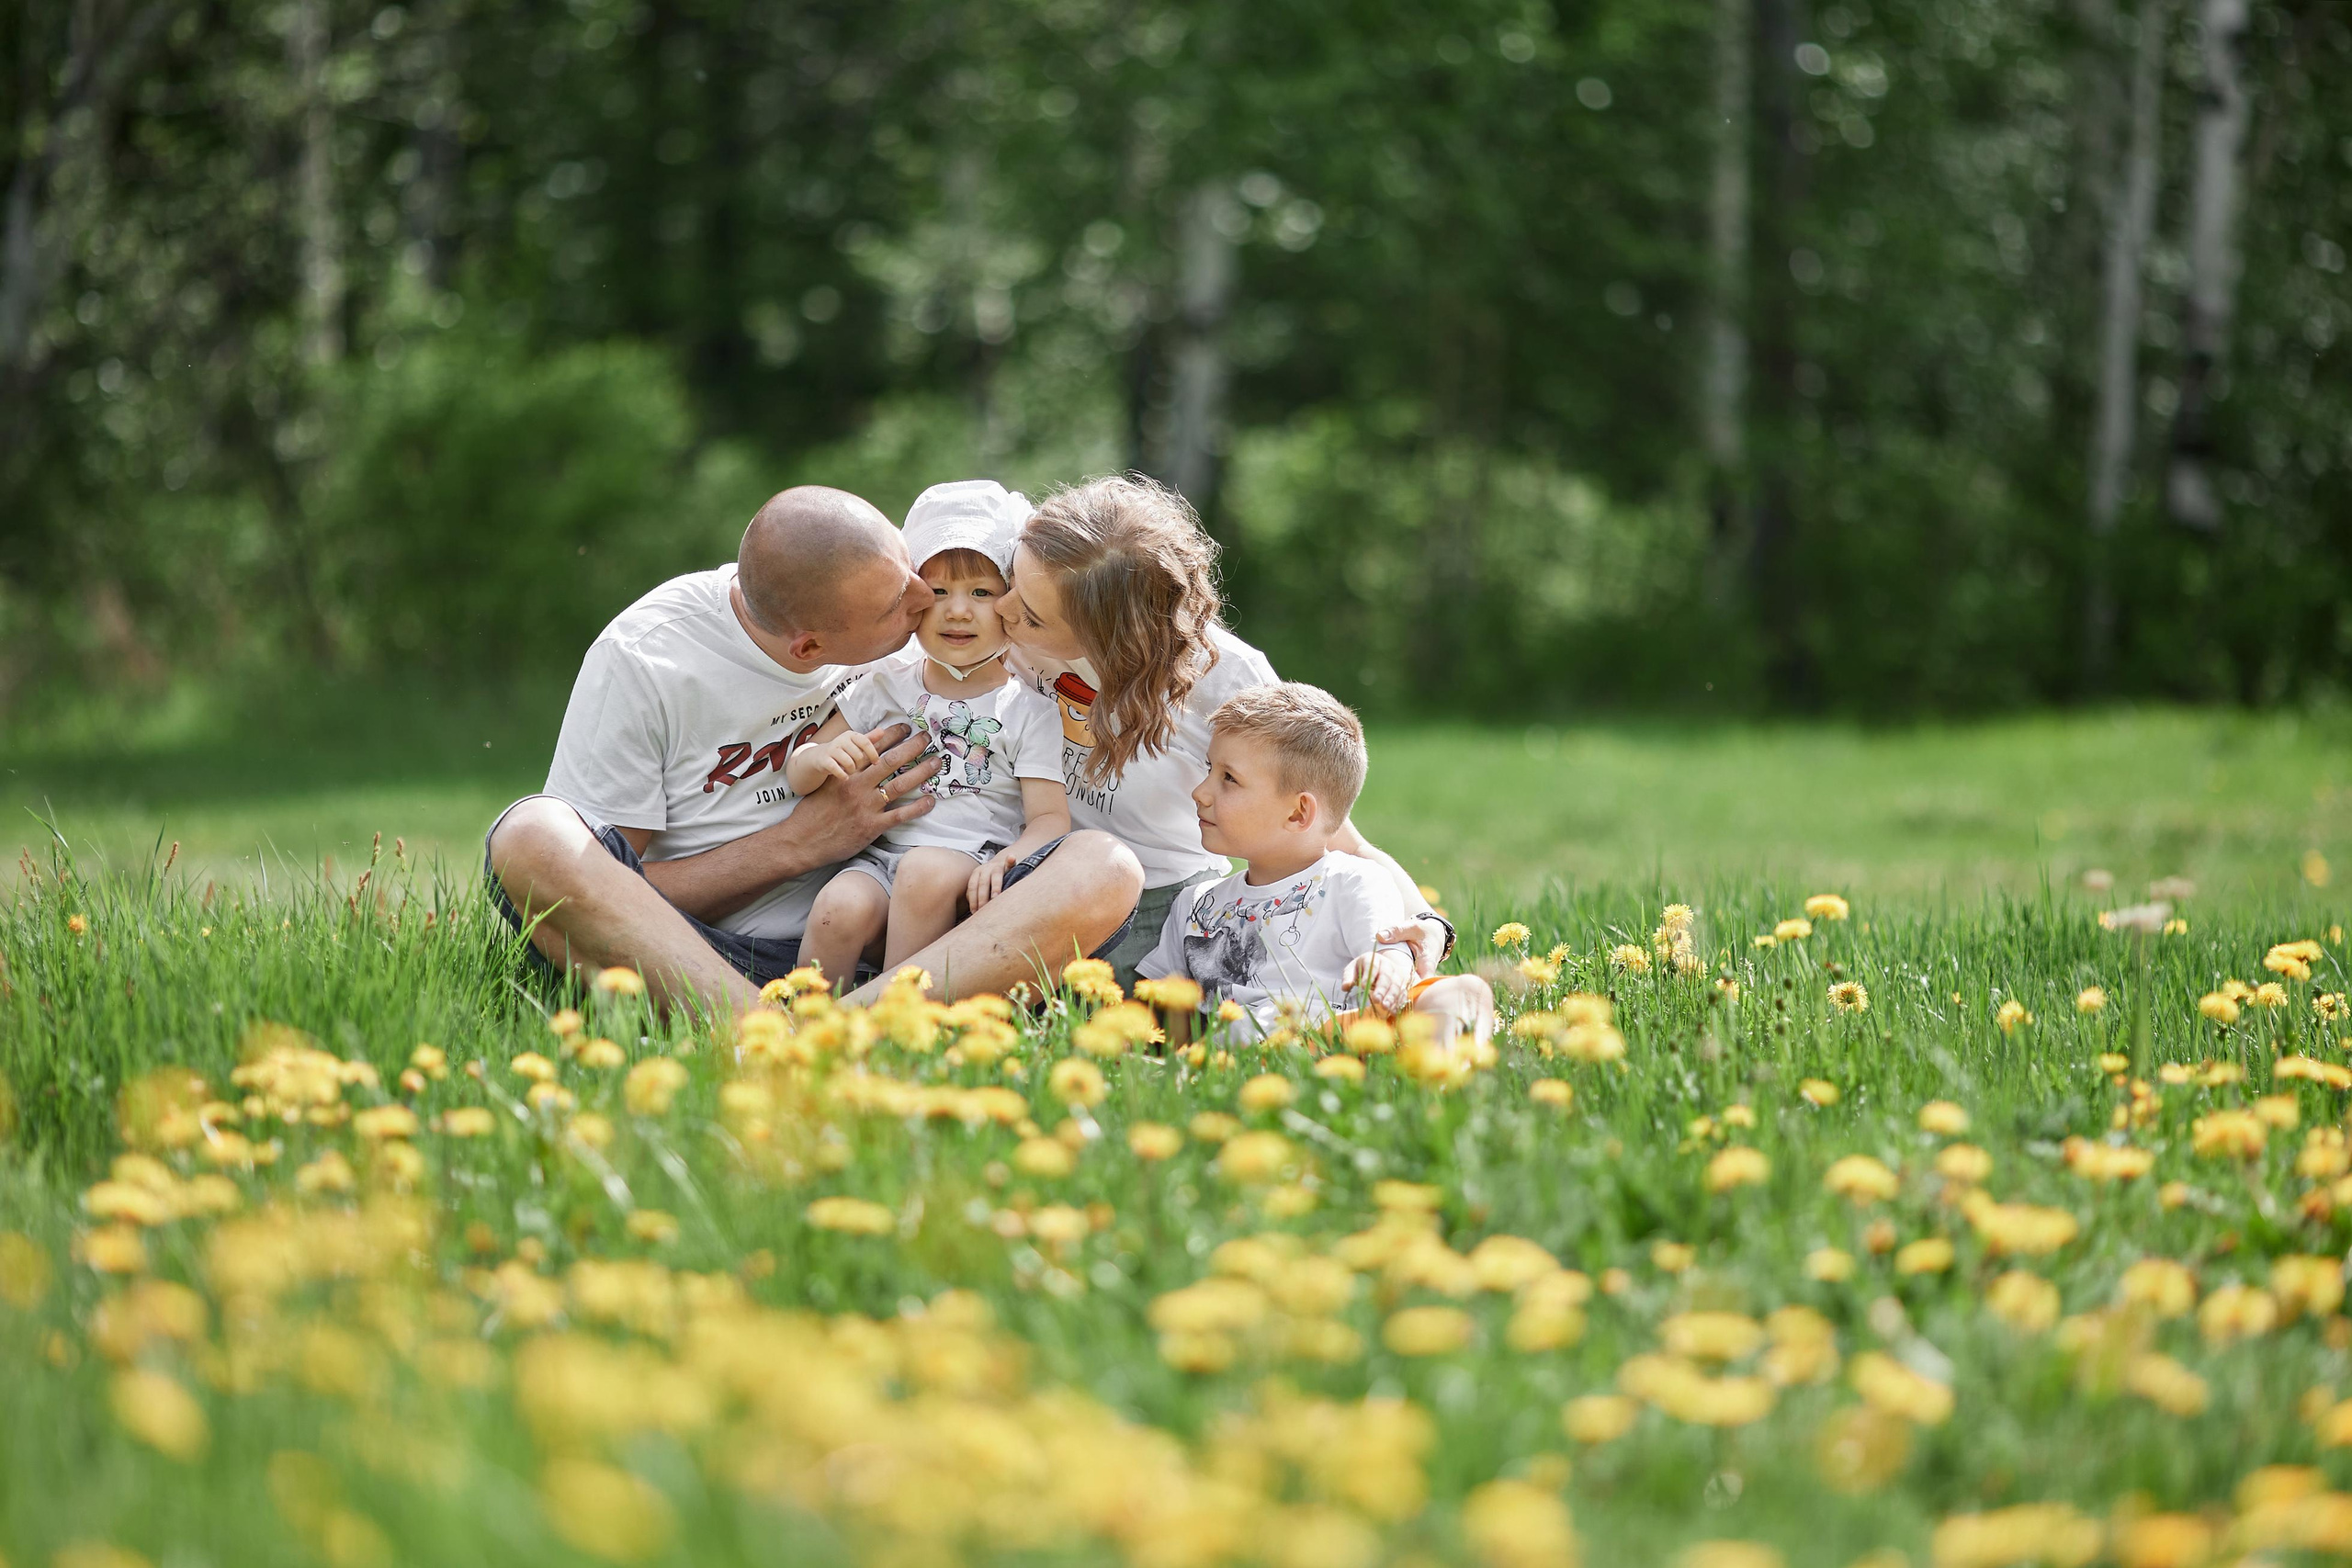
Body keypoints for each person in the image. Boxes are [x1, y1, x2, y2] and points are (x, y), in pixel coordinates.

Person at [483, 485, 1141, 1018]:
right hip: (701, 958)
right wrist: (801, 843)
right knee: (533, 836)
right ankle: (760, 1030)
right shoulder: (650, 657)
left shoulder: (955, 632)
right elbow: (613, 890)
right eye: (903, 604)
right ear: (810, 650)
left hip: (936, 948)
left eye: (917, 575)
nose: (929, 608)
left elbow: (1106, 602)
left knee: (1105, 866)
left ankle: (863, 1025)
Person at [869, 472, 1454, 999]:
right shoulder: (999, 627)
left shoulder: (1223, 679)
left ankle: (885, 1014)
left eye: (1034, 615)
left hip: (1153, 912)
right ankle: (873, 1009)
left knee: (1101, 862)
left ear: (1107, 638)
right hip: (1009, 877)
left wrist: (1424, 926)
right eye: (1013, 579)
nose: (1005, 611)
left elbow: (1331, 833)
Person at [786, 482, 1071, 984]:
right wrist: (824, 757)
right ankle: (806, 1036)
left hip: (970, 864)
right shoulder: (883, 686)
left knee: (925, 874)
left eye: (982, 593)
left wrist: (1010, 859)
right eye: (937, 592)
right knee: (837, 907)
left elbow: (1050, 820)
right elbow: (800, 769)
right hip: (879, 859)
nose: (957, 610)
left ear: (1012, 603)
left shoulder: (1028, 709)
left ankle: (900, 1032)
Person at [1136, 682, 1495, 1043]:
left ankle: (1444, 1058)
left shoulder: (1352, 881)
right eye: (1210, 769)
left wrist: (1384, 969)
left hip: (1337, 1038)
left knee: (1443, 996)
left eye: (1228, 778)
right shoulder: (1196, 903)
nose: (1200, 792)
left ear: (1298, 813)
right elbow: (1155, 1006)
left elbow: (1391, 953)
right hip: (1239, 1056)